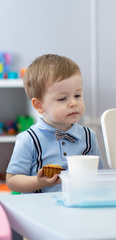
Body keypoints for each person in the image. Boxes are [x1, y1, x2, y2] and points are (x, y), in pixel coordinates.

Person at [6, 54, 103, 193]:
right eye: (63, 98)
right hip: (41, 209)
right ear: (39, 105)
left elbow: (98, 174)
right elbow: (12, 180)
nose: (73, 103)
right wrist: (38, 182)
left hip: (80, 204)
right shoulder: (29, 139)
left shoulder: (89, 136)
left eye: (77, 95)